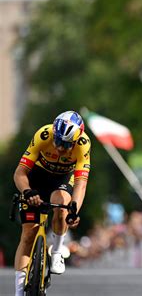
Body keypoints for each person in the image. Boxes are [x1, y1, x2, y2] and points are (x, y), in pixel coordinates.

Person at [13, 111, 91, 296]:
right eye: (58, 141)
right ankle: (18, 291)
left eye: (65, 144)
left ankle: (56, 252)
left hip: (62, 180)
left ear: (76, 140)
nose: (59, 148)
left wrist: (74, 210)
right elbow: (20, 173)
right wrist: (27, 191)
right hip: (37, 178)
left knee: (63, 202)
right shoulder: (44, 134)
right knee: (27, 235)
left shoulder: (83, 143)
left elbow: (81, 183)